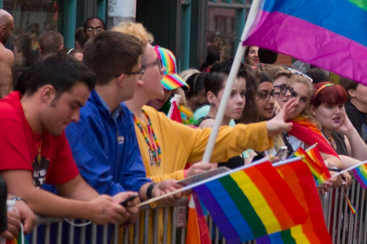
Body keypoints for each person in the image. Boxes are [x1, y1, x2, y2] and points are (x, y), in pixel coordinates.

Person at [123, 43, 295, 182]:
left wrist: (265, 129)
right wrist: (179, 181)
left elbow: (207, 140)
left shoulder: (154, 117)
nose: (162, 72)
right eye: (157, 65)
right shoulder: (116, 120)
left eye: (242, 93)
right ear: (137, 73)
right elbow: (127, 186)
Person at [0, 56, 129, 224]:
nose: (76, 117)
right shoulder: (7, 116)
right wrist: (90, 210)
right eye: (73, 106)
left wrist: (112, 206)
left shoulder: (52, 130)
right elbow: (24, 194)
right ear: (47, 94)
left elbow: (74, 187)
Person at [66, 31, 180, 205]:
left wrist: (153, 189)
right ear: (121, 79)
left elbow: (132, 175)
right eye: (137, 73)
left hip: (104, 228)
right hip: (72, 230)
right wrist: (132, 198)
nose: (139, 79)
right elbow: (95, 182)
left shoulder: (124, 113)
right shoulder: (81, 114)